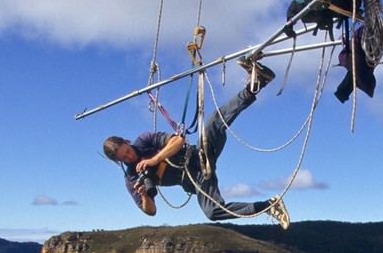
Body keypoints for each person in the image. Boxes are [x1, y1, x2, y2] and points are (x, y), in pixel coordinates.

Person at [103, 58, 290, 229]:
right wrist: (144, 194)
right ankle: (269, 206)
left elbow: (178, 140)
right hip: (193, 180)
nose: (129, 157)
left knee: (211, 124)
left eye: (127, 151)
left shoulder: (144, 140)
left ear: (127, 142)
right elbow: (151, 211)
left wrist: (154, 160)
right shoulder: (131, 178)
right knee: (212, 212)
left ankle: (256, 85)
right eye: (124, 158)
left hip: (197, 155)